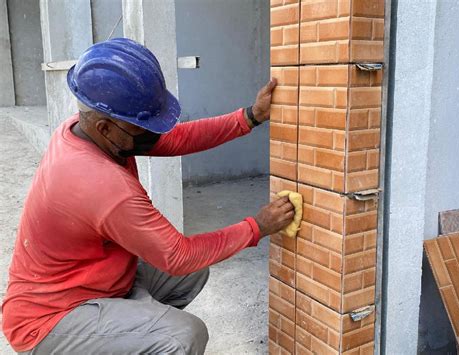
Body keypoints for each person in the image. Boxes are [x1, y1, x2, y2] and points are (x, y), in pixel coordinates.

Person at [2, 38, 295, 354]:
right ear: (105, 126)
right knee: (183, 335)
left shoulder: (87, 129)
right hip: (50, 320)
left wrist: (250, 116)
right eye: (144, 126)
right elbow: (179, 256)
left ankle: (128, 337)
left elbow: (179, 138)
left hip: (96, 283)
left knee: (193, 273)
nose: (154, 134)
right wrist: (258, 227)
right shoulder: (100, 183)